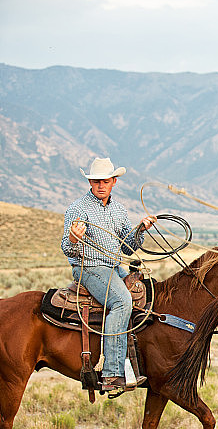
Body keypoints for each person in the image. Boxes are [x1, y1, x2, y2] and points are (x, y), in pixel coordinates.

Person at [61, 158, 156, 392]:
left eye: (105, 181)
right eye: (96, 181)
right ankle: (112, 373)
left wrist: (140, 229)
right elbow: (67, 248)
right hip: (90, 268)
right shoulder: (78, 209)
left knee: (149, 289)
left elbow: (128, 247)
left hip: (114, 266)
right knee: (122, 302)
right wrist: (73, 238)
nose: (100, 185)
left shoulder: (119, 210)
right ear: (90, 182)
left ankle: (141, 360)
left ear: (114, 181)